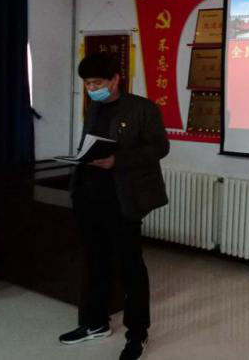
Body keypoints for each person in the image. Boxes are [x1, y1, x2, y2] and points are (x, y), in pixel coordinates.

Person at [59, 53, 170, 360]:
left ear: (116, 78)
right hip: (89, 197)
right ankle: (96, 323)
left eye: (97, 83)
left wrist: (118, 160)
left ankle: (137, 333)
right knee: (96, 262)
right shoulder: (94, 107)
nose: (91, 88)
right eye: (87, 84)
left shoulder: (143, 109)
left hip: (124, 200)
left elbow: (160, 147)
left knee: (131, 267)